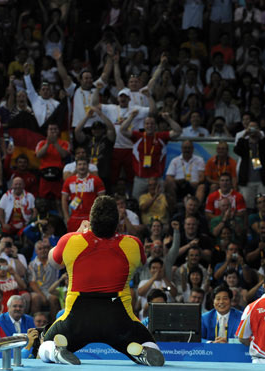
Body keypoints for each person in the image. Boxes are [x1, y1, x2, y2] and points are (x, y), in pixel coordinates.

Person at [38, 196, 165, 366]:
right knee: (150, 345)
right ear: (117, 222)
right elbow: (142, 265)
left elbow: (53, 262)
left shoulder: (70, 240)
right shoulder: (133, 244)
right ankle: (139, 350)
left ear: (90, 220)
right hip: (118, 317)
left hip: (78, 317)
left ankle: (55, 352)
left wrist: (78, 233)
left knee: (45, 344)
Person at [120, 111, 182, 200]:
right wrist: (131, 117)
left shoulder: (161, 137)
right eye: (147, 124)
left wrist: (168, 119)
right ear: (144, 125)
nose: (149, 126)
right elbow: (122, 130)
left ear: (155, 126)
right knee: (136, 204)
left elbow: (178, 131)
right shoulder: (137, 136)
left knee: (159, 205)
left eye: (152, 124)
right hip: (140, 179)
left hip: (157, 179)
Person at [61, 157, 105, 232]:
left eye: (84, 164)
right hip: (74, 218)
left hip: (91, 217)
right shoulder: (69, 180)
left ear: (88, 166)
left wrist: (99, 216)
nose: (82, 167)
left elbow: (102, 199)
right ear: (76, 167)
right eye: (80, 164)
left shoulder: (96, 180)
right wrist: (67, 217)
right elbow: (64, 199)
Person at [165, 139, 206, 209]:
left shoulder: (199, 160)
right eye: (185, 148)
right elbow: (168, 177)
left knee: (202, 187)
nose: (187, 150)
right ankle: (173, 208)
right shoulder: (175, 160)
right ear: (181, 149)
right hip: (179, 185)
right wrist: (177, 181)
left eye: (189, 148)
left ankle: (196, 208)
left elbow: (202, 177)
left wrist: (197, 182)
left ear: (193, 149)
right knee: (168, 183)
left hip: (194, 185)